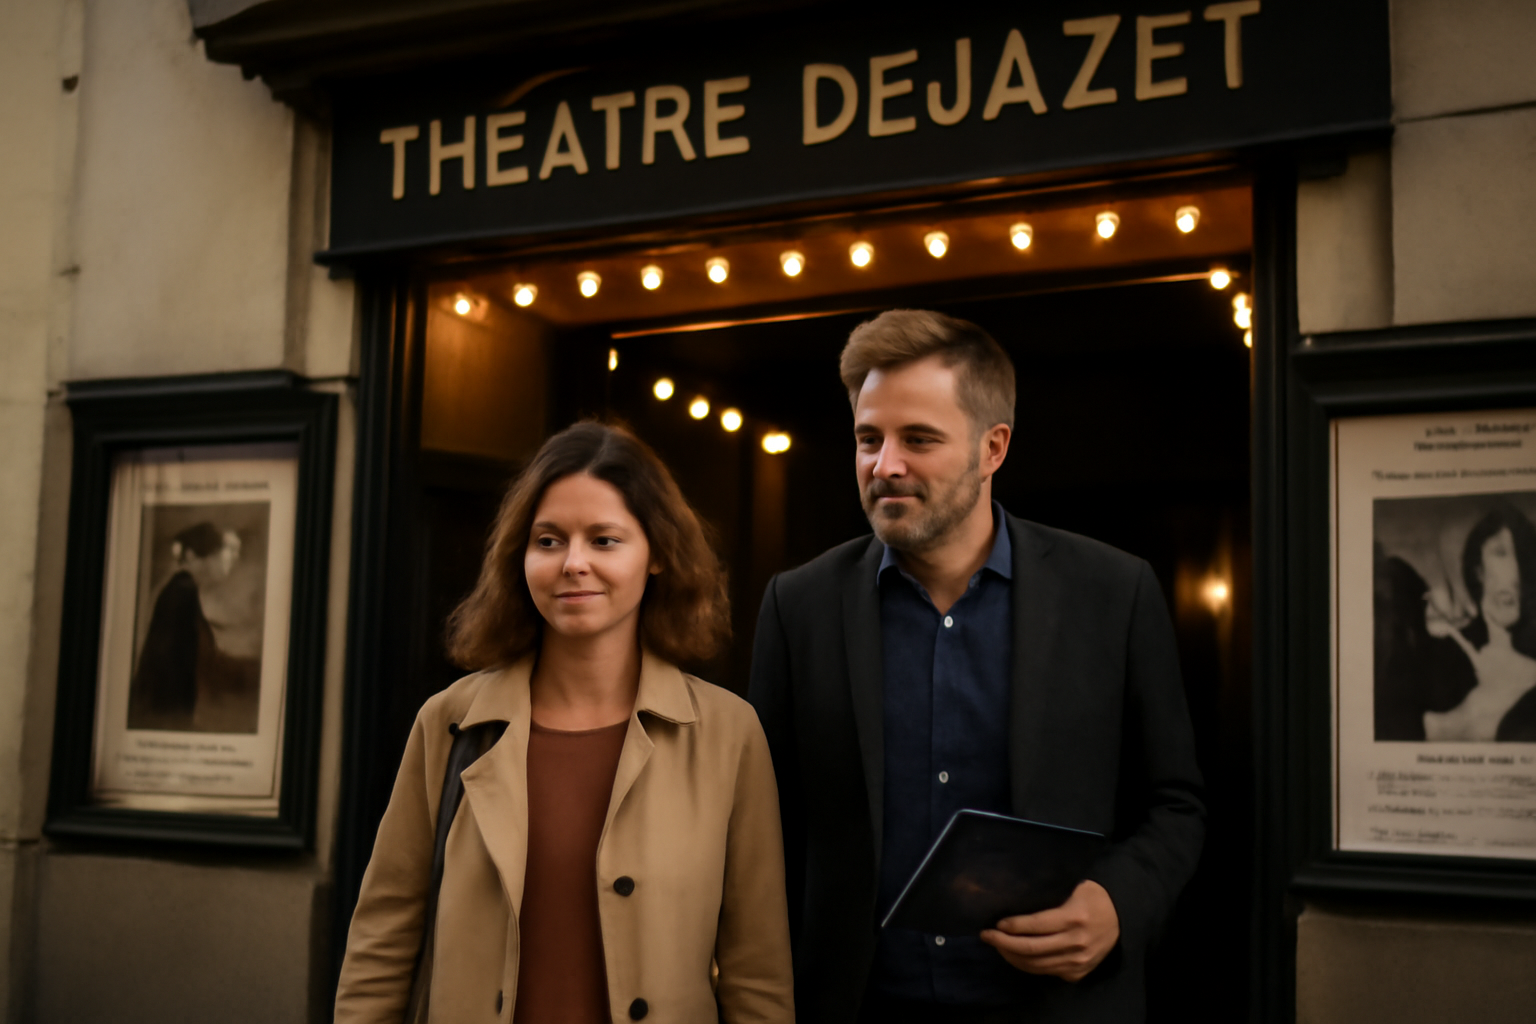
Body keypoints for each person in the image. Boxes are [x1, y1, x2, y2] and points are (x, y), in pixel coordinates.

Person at [749, 310, 1204, 1024]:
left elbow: (1176, 805)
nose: (884, 465)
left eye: (918, 439)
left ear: (993, 448)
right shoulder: (797, 607)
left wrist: (1117, 903)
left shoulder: (1114, 594)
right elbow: (761, 832)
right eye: (869, 439)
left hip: (1057, 1009)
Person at [336, 422, 794, 1024]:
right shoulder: (450, 723)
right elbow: (382, 941)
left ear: (656, 554)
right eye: (549, 541)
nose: (573, 563)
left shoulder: (729, 734)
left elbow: (756, 973)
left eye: (604, 540)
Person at [128, 521, 260, 733]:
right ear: (193, 555)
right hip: (163, 719)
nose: (232, 558)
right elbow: (190, 667)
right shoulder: (182, 592)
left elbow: (202, 657)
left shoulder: (182, 590)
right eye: (222, 551)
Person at [1421, 502, 1536, 742]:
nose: (1514, 572)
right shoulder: (1445, 654)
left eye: (1522, 554)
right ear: (1478, 570)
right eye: (1501, 552)